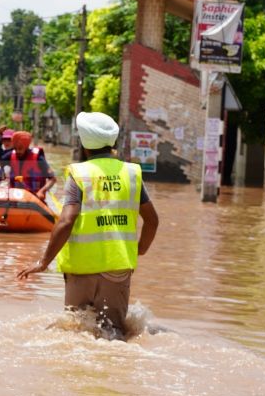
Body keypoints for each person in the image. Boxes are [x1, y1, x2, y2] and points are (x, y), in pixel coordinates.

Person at [17, 111, 159, 340]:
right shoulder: (132, 174)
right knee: (115, 336)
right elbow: (153, 221)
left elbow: (67, 220)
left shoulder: (79, 174)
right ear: (112, 142)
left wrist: (44, 262)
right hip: (117, 269)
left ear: (84, 144)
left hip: (81, 270)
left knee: (76, 333)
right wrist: (139, 249)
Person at [1, 131, 56, 201]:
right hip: (14, 198)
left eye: (20, 148)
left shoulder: (38, 158)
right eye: (15, 148)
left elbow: (52, 179)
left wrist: (41, 191)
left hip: (34, 199)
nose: (17, 151)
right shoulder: (11, 155)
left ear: (26, 147)